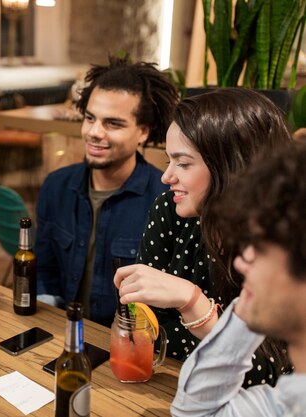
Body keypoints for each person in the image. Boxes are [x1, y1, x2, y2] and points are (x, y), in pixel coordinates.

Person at [114, 88, 294, 386]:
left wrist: (192, 302)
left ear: (235, 168)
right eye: (168, 160)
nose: (166, 176)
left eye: (183, 164)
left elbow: (269, 372)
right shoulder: (170, 210)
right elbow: (146, 323)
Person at [35, 55, 179, 326]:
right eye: (90, 118)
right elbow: (44, 268)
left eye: (113, 123)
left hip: (128, 345)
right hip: (60, 332)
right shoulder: (56, 186)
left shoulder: (167, 200)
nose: (94, 132)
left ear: (144, 132)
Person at [170, 142, 306, 417]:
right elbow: (196, 411)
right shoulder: (289, 400)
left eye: (260, 247)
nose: (242, 261)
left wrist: (195, 304)